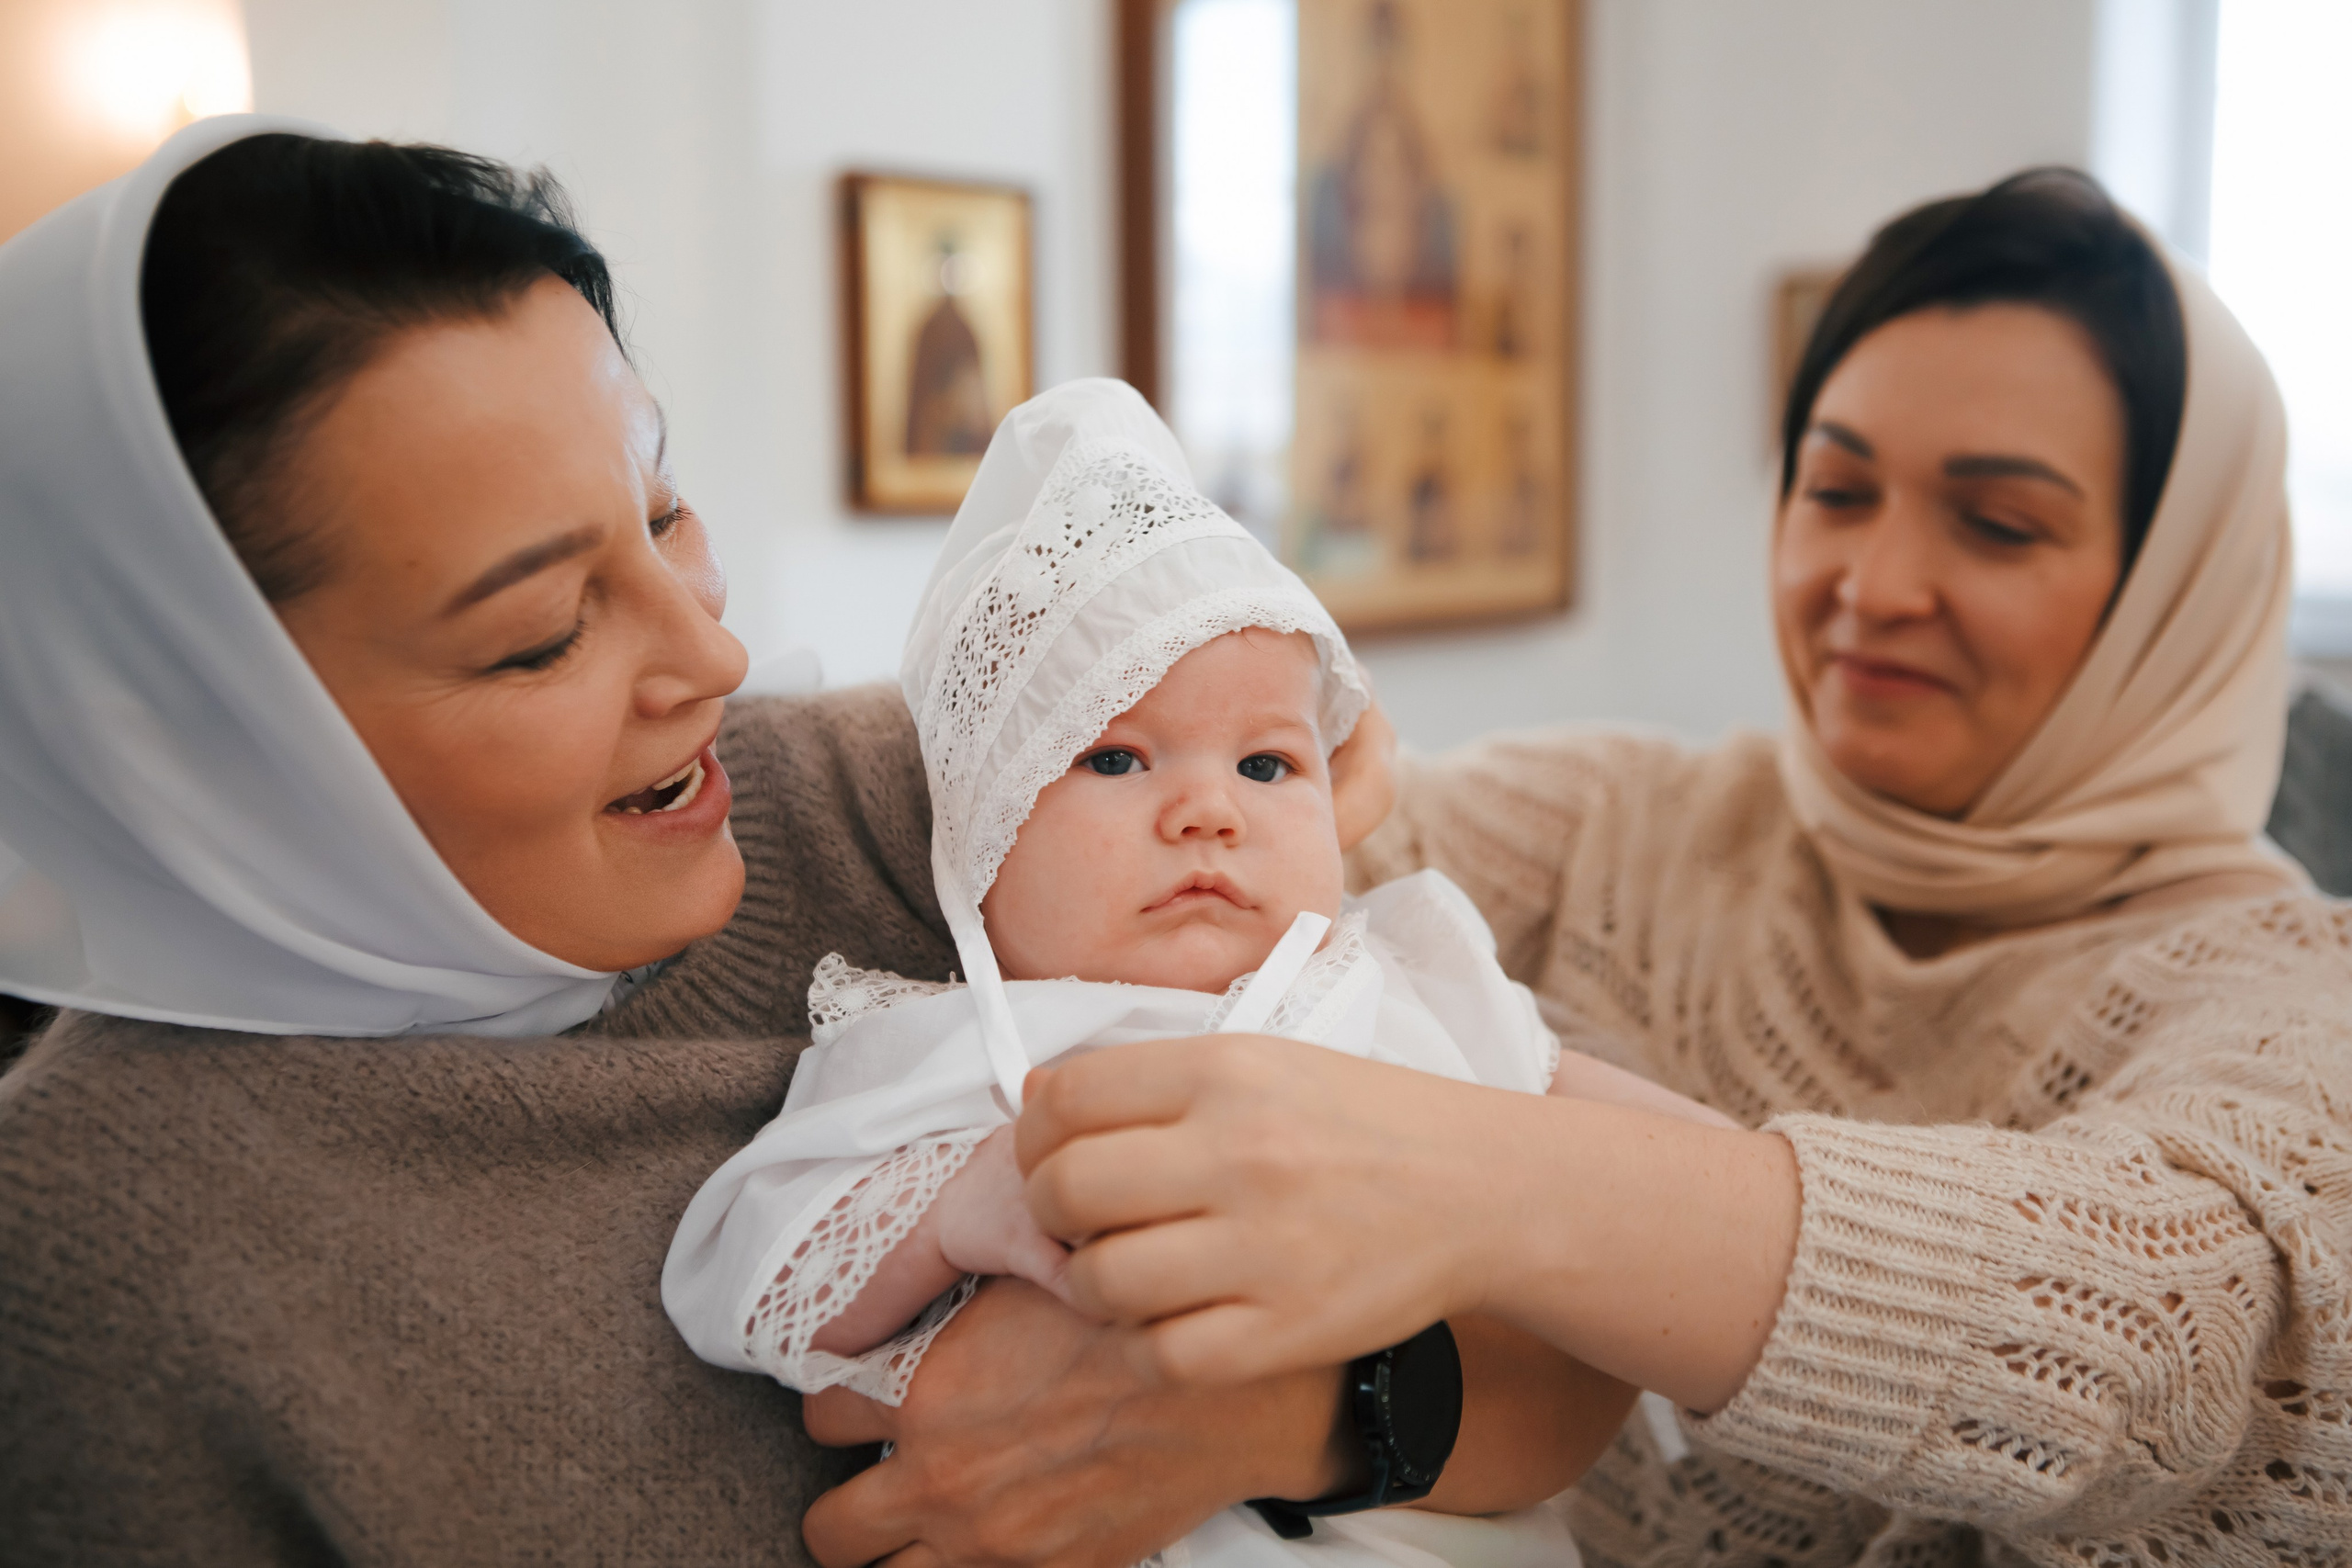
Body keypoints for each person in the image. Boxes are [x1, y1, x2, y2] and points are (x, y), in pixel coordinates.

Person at [0, 119, 1541, 1562]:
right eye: (542, 634)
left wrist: (1298, 1421)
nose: (712, 661)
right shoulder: (97, 1254)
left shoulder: (900, 796)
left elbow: (1578, 1300)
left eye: (663, 513)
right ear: (200, 742)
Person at [797, 172, 2352, 1565]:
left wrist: (1453, 1209)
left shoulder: (2294, 1001)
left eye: (1999, 524)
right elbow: (1035, 817)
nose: (1875, 586)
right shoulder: (1622, 823)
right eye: (1836, 487)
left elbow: (2193, 1332)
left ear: (2179, 586)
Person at [665, 380, 1730, 1563]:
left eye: (1270, 767)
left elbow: (1694, 1188)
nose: (1209, 811)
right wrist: (960, 1200)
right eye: (1116, 756)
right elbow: (739, 1284)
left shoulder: (1406, 983)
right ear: (979, 833)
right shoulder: (948, 1046)